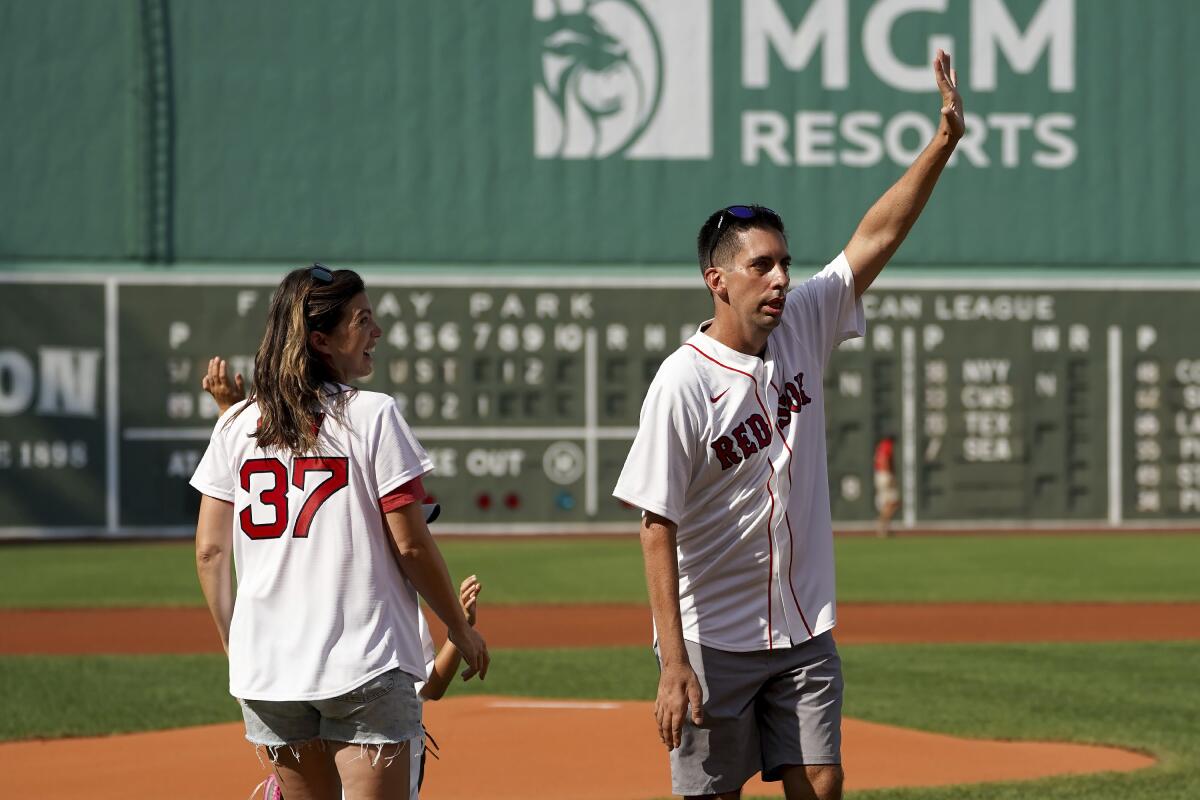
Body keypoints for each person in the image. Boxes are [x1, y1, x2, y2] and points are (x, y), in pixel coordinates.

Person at [612, 51, 964, 800]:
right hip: (714, 641)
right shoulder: (683, 382)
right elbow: (654, 523)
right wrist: (673, 661)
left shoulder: (804, 320)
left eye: (784, 264)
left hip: (803, 629)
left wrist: (942, 146)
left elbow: (876, 238)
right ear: (718, 280)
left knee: (823, 780)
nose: (780, 278)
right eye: (762, 266)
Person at [191, 264, 488, 800]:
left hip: (268, 673)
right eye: (363, 320)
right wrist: (460, 632)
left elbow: (211, 552)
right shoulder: (372, 415)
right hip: (363, 664)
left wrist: (239, 646)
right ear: (320, 339)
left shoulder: (234, 424)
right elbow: (412, 543)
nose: (375, 332)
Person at [873, 435, 900, 538]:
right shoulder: (886, 444)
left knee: (888, 504)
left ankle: (884, 529)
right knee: (892, 502)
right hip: (885, 475)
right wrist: (889, 475)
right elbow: (884, 459)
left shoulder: (879, 446)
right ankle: (881, 526)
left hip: (879, 475)